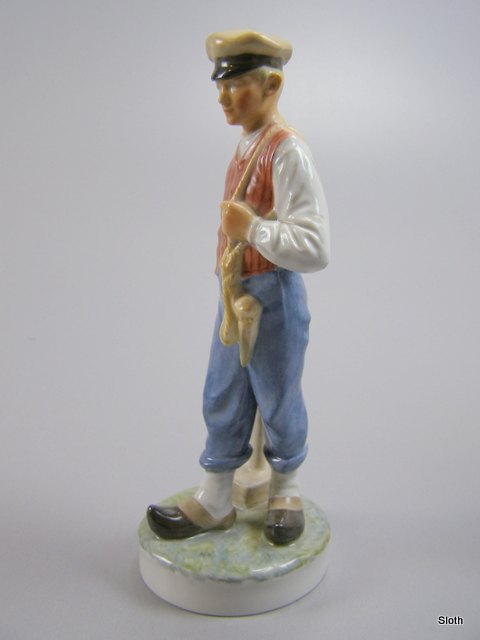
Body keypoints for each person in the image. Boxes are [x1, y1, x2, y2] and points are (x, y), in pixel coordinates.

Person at [147, 30, 330, 544]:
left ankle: (286, 490)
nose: (224, 99)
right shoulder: (245, 146)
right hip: (235, 293)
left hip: (273, 292)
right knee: (223, 391)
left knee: (278, 395)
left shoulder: (287, 152)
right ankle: (216, 499)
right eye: (220, 88)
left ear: (272, 85)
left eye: (236, 86)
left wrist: (252, 230)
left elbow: (315, 247)